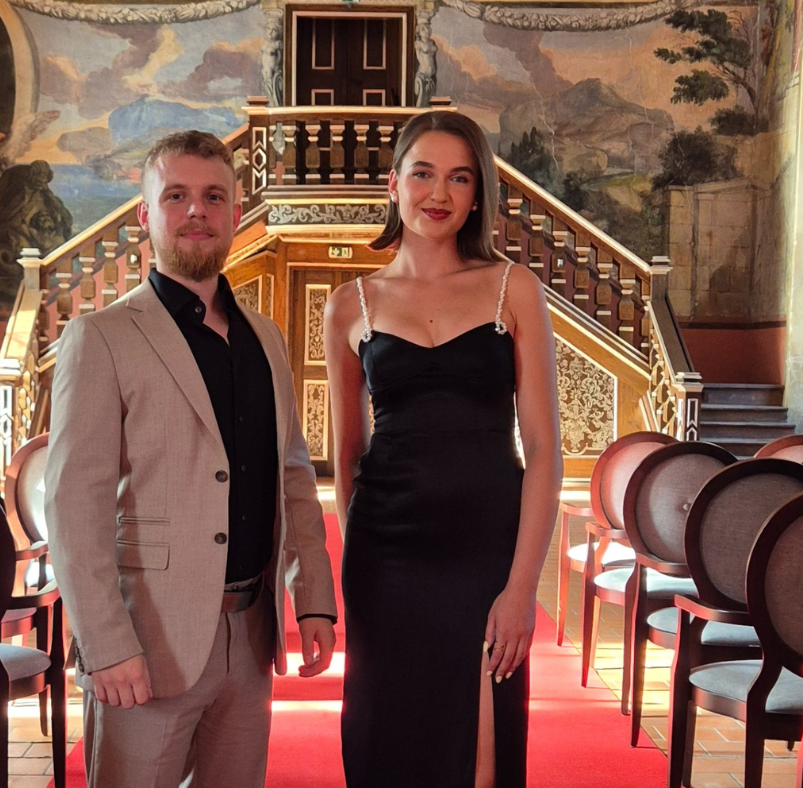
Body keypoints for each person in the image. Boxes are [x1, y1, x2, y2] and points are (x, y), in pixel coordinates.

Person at [46, 130, 338, 788]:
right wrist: (105, 643)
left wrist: (314, 599)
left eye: (213, 196)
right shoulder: (101, 337)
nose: (196, 211)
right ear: (146, 214)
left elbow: (293, 479)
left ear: (237, 212)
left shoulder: (266, 338)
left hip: (251, 635)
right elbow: (73, 505)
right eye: (176, 196)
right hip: (147, 641)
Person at [324, 110, 563, 787]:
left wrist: (522, 587)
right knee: (386, 736)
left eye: (460, 178)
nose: (439, 193)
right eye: (423, 173)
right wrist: (363, 560)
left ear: (478, 193)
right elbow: (347, 459)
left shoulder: (514, 288)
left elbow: (544, 451)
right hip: (386, 557)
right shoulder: (349, 304)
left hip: (485, 553)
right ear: (393, 185)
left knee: (479, 748)